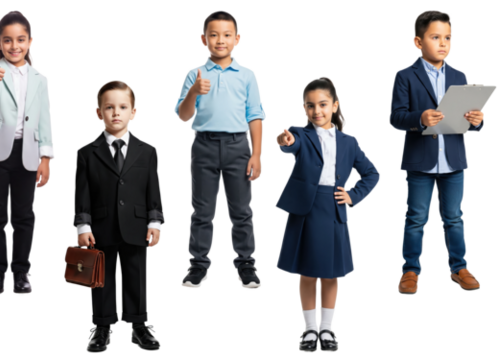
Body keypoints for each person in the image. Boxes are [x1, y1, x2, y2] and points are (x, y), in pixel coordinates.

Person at [275, 77, 380, 352]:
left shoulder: (350, 142)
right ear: (304, 108)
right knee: (307, 272)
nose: (316, 110)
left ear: (335, 105)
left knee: (332, 274)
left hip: (333, 209)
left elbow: (373, 173)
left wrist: (353, 195)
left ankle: (328, 329)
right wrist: (285, 140)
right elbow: (289, 143)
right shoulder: (300, 133)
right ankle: (310, 329)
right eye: (310, 105)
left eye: (322, 104)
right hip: (305, 210)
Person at [388, 10, 485, 295]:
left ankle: (460, 267)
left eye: (448, 38)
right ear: (418, 42)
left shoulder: (459, 75)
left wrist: (477, 121)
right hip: (420, 161)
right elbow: (395, 117)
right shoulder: (404, 76)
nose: (443, 43)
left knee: (454, 217)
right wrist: (420, 118)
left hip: (453, 161)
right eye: (435, 37)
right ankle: (409, 271)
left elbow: (468, 119)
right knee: (416, 218)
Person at [173, 10, 266, 290]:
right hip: (204, 145)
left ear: (237, 39)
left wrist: (257, 154)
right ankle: (198, 265)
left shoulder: (248, 75)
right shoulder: (194, 74)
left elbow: (255, 116)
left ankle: (247, 264)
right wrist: (194, 92)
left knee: (242, 209)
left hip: (239, 146)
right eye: (213, 35)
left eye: (227, 35)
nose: (220, 40)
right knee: (201, 210)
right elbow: (183, 116)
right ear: (203, 39)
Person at [77, 80, 165, 353]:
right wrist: (82, 225)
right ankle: (101, 328)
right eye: (109, 107)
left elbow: (154, 189)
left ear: (134, 113)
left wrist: (155, 221)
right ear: (98, 113)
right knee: (101, 277)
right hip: (100, 225)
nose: (116, 112)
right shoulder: (86, 153)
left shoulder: (148, 151)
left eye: (123, 107)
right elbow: (81, 193)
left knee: (137, 275)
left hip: (137, 224)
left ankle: (139, 326)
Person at [0, 10, 54, 295]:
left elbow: (45, 120)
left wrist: (46, 157)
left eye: (20, 39)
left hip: (27, 152)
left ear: (30, 41)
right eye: (7, 40)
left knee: (24, 215)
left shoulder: (40, 79)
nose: (14, 46)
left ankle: (21, 273)